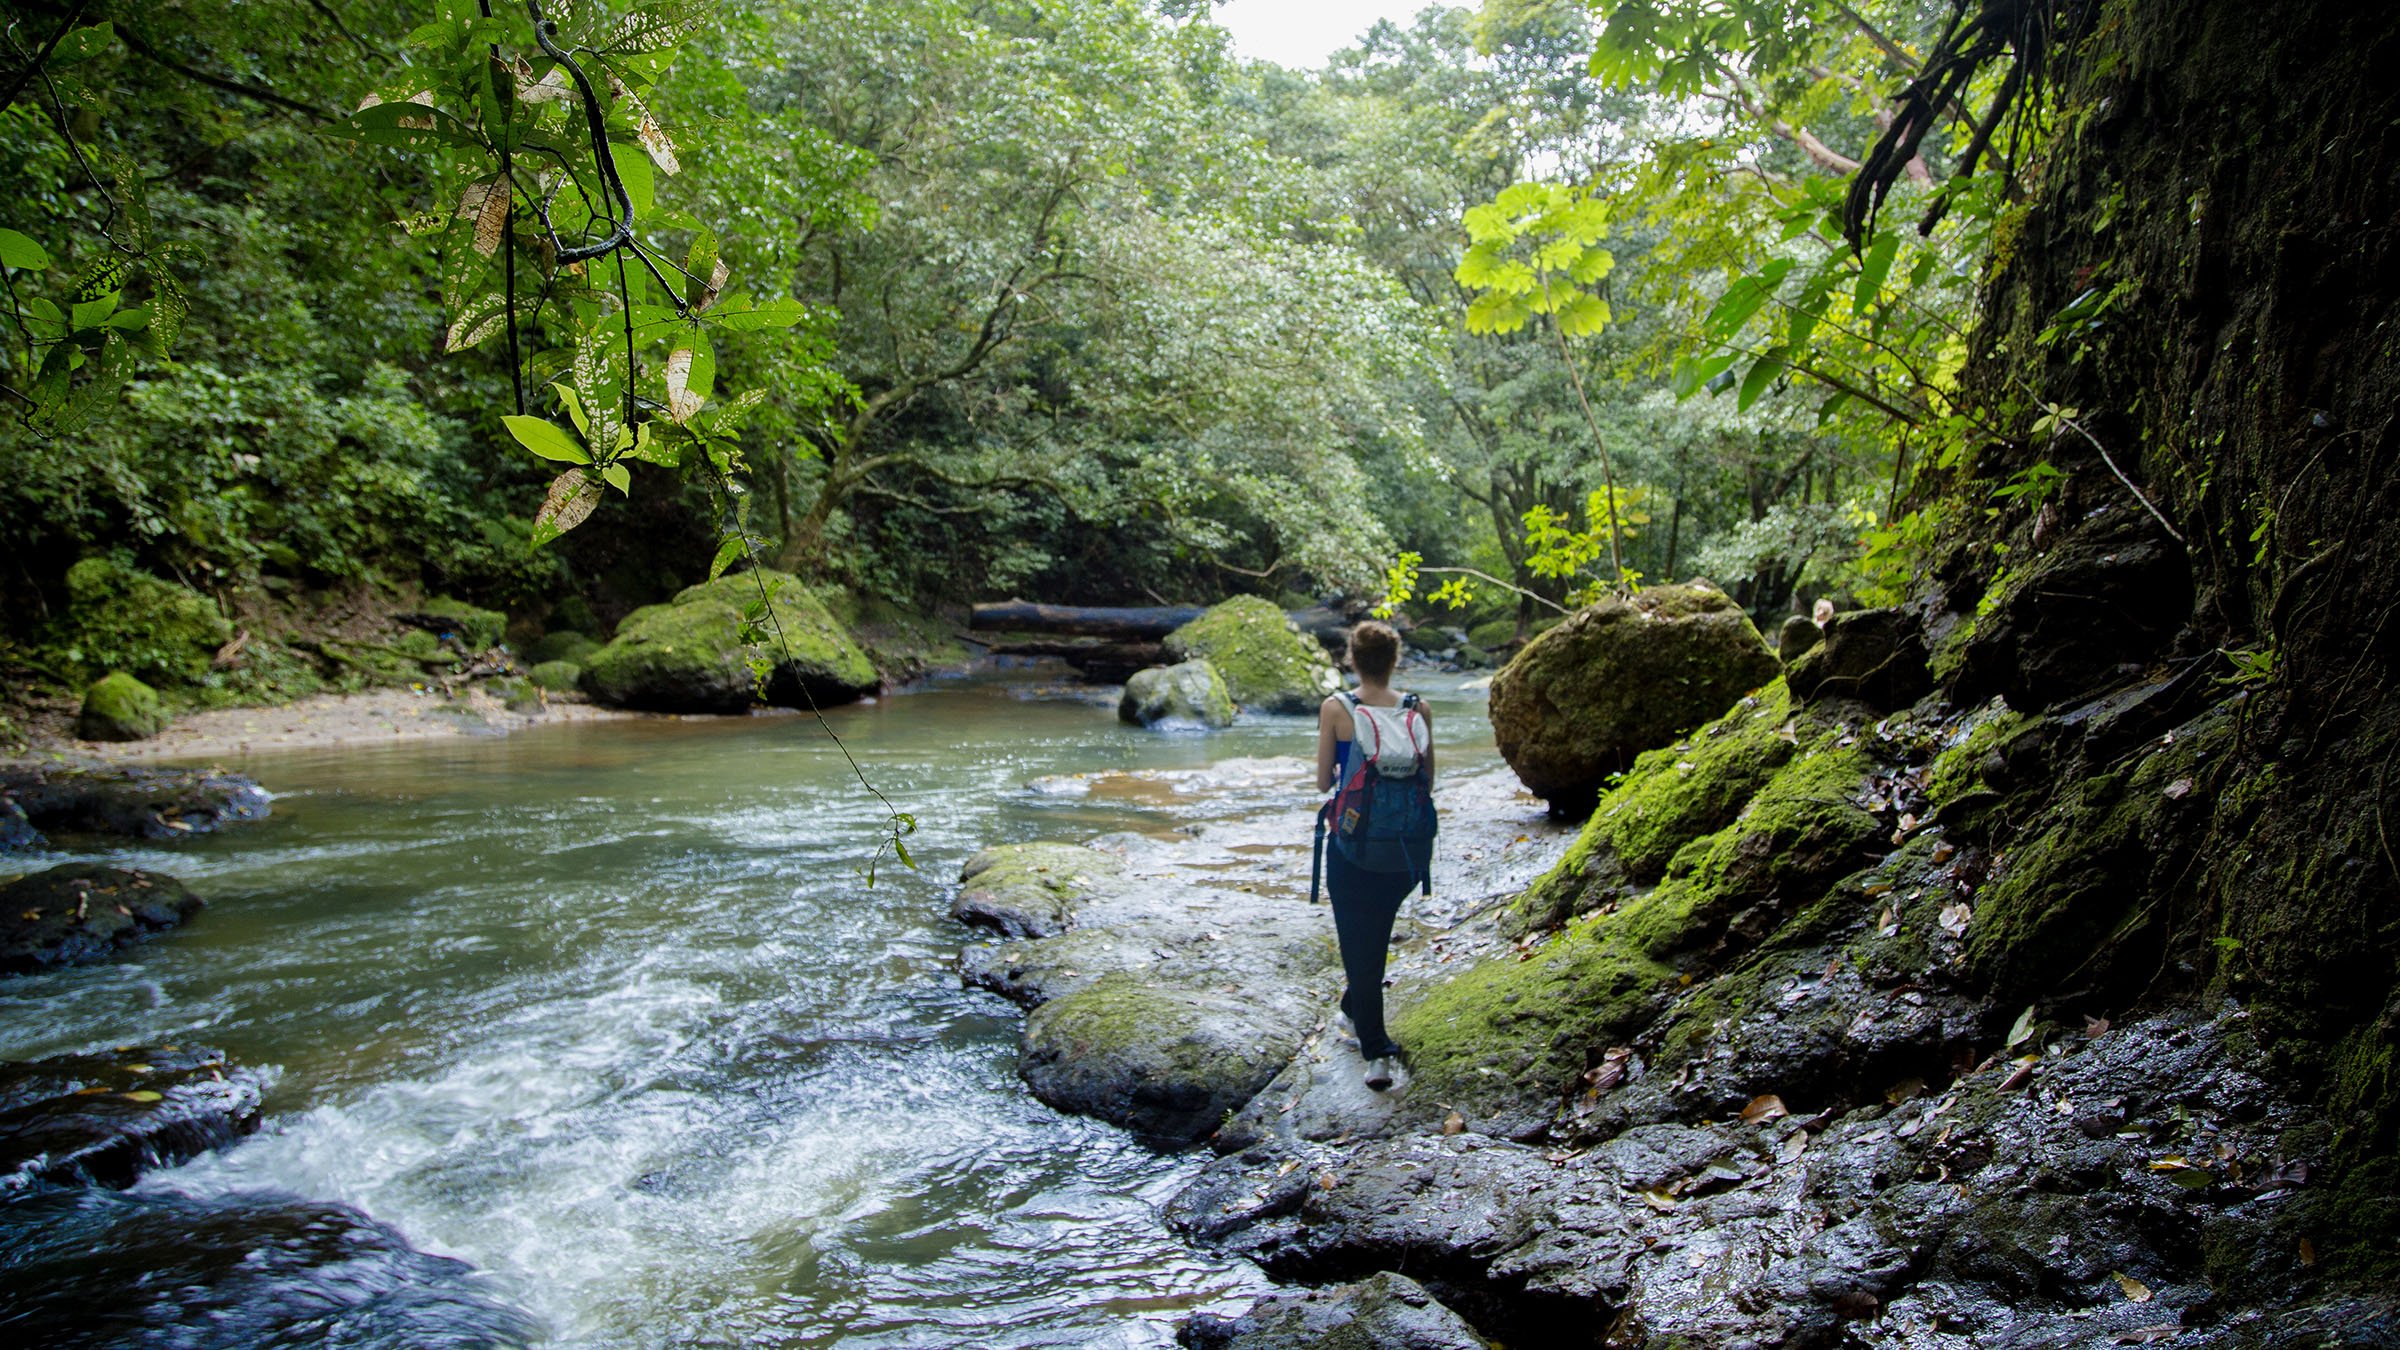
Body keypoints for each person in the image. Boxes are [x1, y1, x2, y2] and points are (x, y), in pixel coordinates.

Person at [1314, 620, 1434, 1090]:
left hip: (1353, 846)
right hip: (1406, 850)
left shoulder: (1336, 708)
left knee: (1358, 947)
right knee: (1373, 942)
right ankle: (1355, 1005)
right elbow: (1429, 781)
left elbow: (1324, 782)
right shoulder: (1416, 708)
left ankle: (1377, 1051)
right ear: (1395, 660)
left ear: (1352, 659)